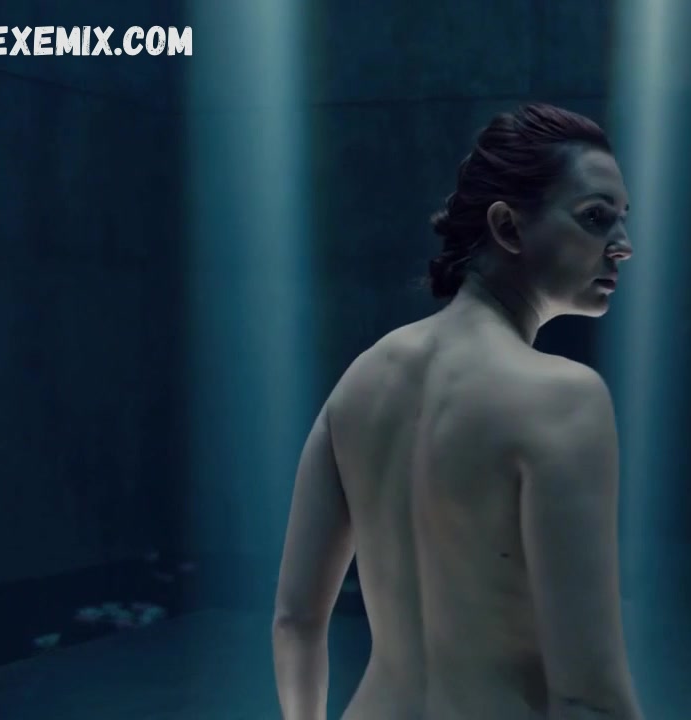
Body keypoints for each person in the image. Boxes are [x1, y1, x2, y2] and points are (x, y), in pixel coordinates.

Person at [271, 103, 641, 720]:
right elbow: (588, 696)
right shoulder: (563, 399)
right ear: (509, 227)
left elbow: (296, 621)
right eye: (596, 218)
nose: (623, 247)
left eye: (623, 219)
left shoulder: (361, 382)